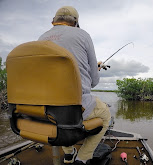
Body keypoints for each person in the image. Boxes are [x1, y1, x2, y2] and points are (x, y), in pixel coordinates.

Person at [38, 6, 111, 165]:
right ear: (76, 23)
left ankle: (69, 154)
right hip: (72, 110)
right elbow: (94, 81)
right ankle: (82, 159)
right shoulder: (83, 35)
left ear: (53, 22)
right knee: (105, 115)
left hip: (42, 111)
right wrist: (95, 69)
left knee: (61, 116)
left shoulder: (40, 39)